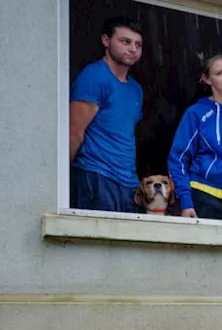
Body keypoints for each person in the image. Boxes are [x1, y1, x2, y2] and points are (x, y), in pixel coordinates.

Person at [70, 16, 145, 213]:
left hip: (128, 181)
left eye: (138, 44)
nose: (133, 49)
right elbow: (73, 133)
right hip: (95, 174)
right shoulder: (93, 77)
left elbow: (125, 134)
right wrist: (58, 182)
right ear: (106, 41)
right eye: (125, 41)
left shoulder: (136, 89)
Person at [168, 54, 222, 222]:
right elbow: (178, 159)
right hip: (205, 195)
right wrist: (185, 201)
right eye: (219, 73)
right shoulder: (196, 113)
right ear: (206, 79)